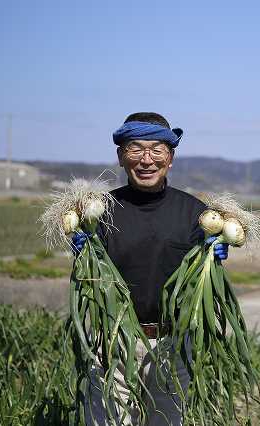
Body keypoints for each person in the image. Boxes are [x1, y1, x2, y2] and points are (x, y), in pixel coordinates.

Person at [72, 112, 228, 425]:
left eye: (157, 150)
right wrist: (82, 249)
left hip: (172, 345)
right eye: (135, 149)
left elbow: (201, 282)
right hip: (111, 343)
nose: (146, 160)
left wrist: (213, 257)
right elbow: (92, 278)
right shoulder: (99, 212)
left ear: (170, 157)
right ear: (120, 156)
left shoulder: (195, 213)